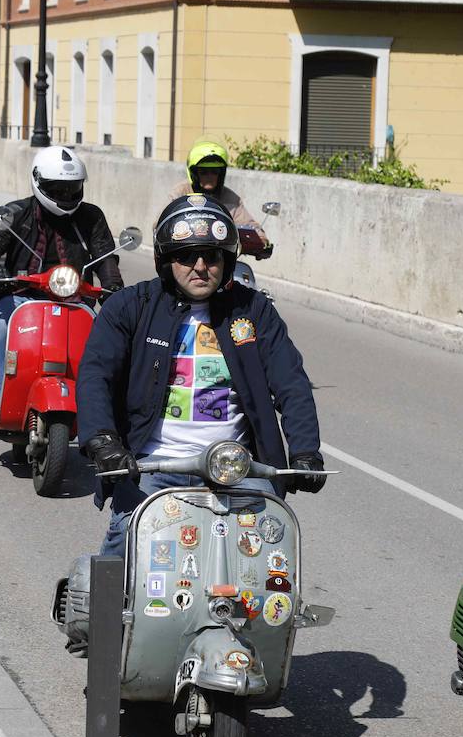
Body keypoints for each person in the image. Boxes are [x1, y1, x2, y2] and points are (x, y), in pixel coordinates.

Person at [77, 194, 326, 558]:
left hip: (238, 467)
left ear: (226, 260)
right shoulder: (130, 307)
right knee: (122, 549)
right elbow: (95, 374)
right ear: (165, 260)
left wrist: (305, 452)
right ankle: (102, 614)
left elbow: (291, 382)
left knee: (273, 560)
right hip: (154, 466)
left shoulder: (254, 311)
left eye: (211, 255)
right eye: (185, 256)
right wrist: (102, 441)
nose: (199, 266)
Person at [0, 145, 123, 424]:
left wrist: (113, 287)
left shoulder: (92, 216)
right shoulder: (14, 213)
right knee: (0, 323)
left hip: (77, 297)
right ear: (38, 181)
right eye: (58, 188)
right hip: (22, 297)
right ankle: (2, 395)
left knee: (110, 340)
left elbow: (104, 257)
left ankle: (102, 410)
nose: (66, 195)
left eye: (72, 188)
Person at [168, 139, 271, 258]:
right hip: (186, 256)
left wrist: (261, 239)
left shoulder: (230, 197)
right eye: (204, 172)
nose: (209, 176)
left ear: (221, 174)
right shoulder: (180, 193)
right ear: (194, 174)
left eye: (214, 172)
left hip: (221, 258)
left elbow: (248, 223)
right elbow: (161, 222)